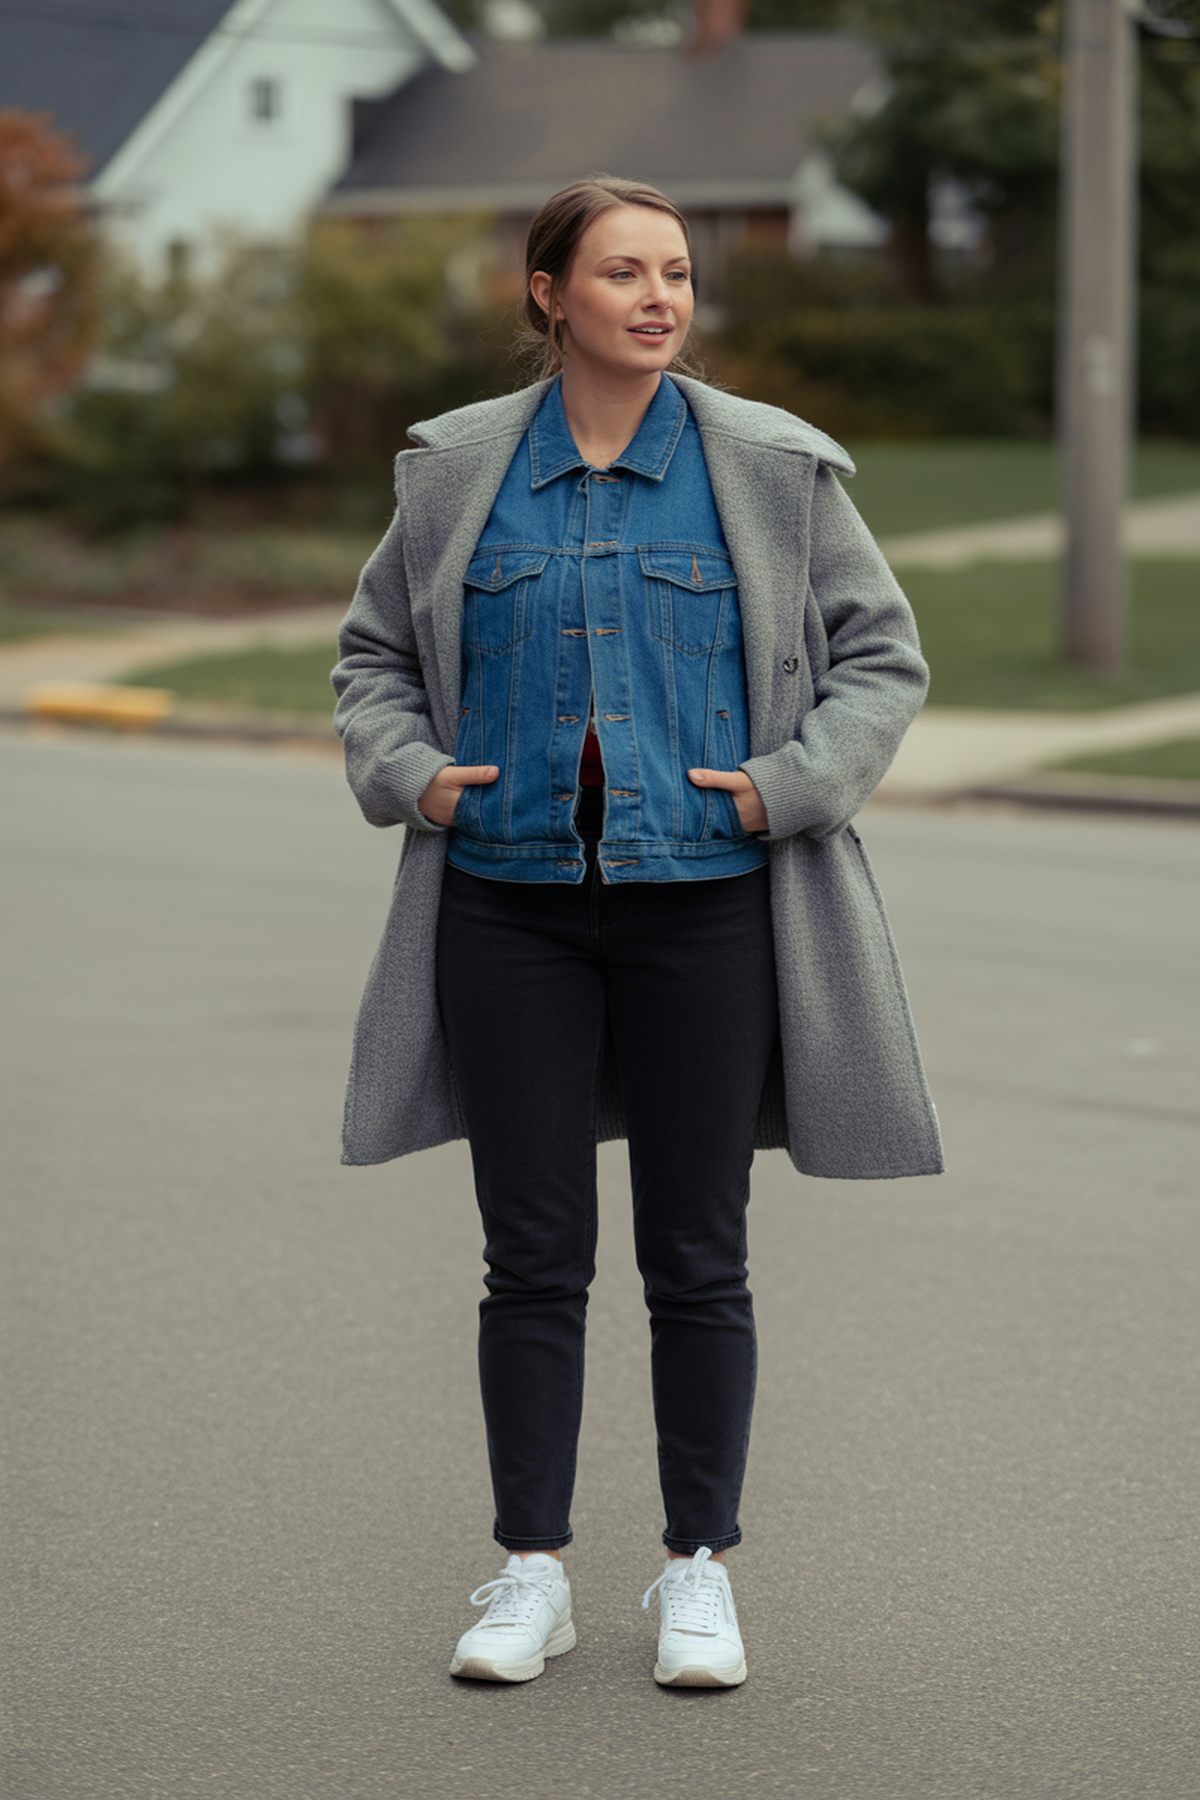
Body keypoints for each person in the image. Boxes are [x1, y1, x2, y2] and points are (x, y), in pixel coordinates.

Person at [332, 177, 943, 1689]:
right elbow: (373, 656)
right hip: (507, 909)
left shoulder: (772, 470)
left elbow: (881, 656)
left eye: (676, 270)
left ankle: (698, 1573)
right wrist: (412, 775)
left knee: (697, 1254)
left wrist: (793, 787)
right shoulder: (456, 472)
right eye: (623, 272)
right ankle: (531, 1574)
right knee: (531, 1257)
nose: (661, 297)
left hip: (709, 908)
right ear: (549, 294)